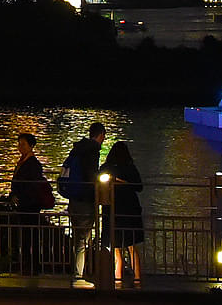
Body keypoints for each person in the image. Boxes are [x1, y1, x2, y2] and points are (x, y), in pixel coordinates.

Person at [57, 121, 107, 282]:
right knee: (83, 239)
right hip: (85, 199)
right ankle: (78, 275)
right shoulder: (93, 150)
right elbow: (90, 175)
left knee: (78, 237)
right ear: (101, 136)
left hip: (73, 198)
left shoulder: (78, 148)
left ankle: (78, 272)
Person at [8, 132, 55, 275]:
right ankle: (29, 264)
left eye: (23, 144)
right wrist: (13, 194)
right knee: (27, 235)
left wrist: (19, 196)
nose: (20, 147)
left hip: (30, 205)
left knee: (31, 235)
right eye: (19, 144)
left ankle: (33, 265)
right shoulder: (23, 162)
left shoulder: (32, 164)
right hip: (25, 204)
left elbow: (31, 186)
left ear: (31, 146)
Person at [102, 139, 144, 283]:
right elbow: (139, 186)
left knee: (116, 247)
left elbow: (99, 185)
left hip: (112, 210)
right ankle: (137, 278)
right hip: (130, 211)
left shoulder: (106, 168)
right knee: (132, 246)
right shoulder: (130, 168)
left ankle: (117, 278)